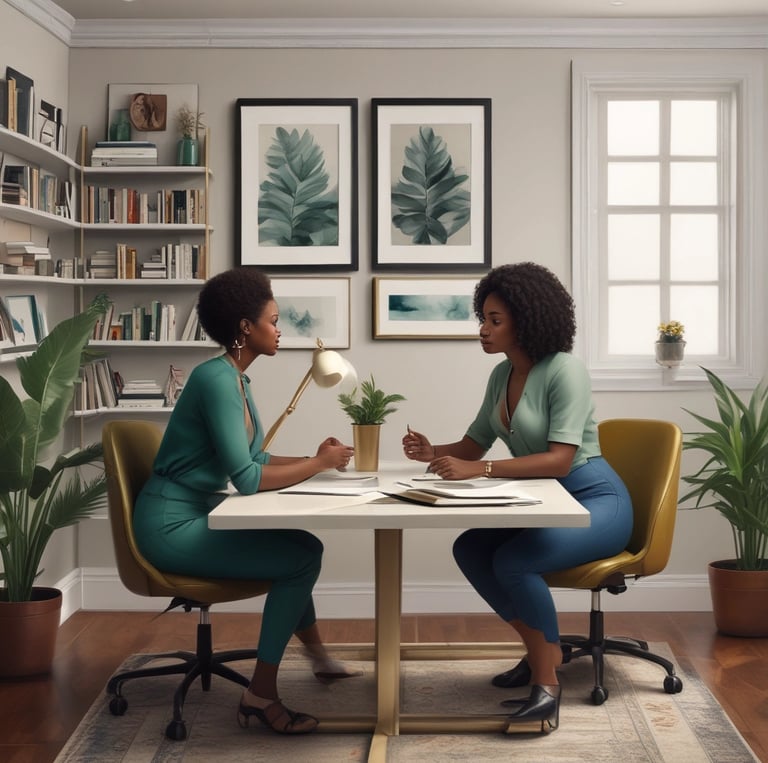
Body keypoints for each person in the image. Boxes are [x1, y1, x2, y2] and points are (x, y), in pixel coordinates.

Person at [401, 262, 633, 732]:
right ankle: (541, 650)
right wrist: (432, 451)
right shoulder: (501, 376)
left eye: (494, 320)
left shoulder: (565, 370)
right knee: (470, 546)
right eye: (482, 319)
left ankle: (546, 685)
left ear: (526, 320)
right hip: (544, 504)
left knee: (514, 561)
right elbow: (473, 445)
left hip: (594, 503)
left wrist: (479, 470)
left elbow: (559, 461)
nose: (483, 331)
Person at [134, 267, 358, 735]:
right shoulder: (215, 380)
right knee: (298, 559)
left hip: (195, 512)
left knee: (303, 546)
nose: (279, 330)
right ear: (245, 328)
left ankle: (318, 658)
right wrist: (316, 467)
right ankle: (259, 696)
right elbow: (249, 479)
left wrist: (318, 457)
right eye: (273, 320)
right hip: (170, 526)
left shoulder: (236, 380)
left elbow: (256, 456)